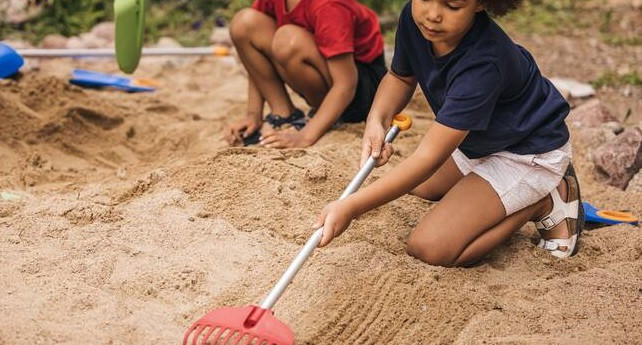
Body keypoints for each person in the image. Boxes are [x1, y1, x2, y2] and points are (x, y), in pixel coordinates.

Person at [314, 0, 584, 266]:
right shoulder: (415, 19)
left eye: (452, 6)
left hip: (528, 151)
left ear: (480, 4)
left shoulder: (483, 64)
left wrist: (350, 206)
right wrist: (376, 120)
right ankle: (511, 192)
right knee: (421, 186)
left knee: (430, 247)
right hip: (480, 141)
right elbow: (401, 77)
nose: (432, 15)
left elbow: (427, 158)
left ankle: (542, 200)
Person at [224, 0, 387, 148]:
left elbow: (346, 84)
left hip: (363, 91)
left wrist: (305, 136)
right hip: (329, 73)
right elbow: (257, 57)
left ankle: (328, 118)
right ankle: (284, 115)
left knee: (287, 39)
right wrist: (253, 114)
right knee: (245, 23)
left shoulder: (328, 6)